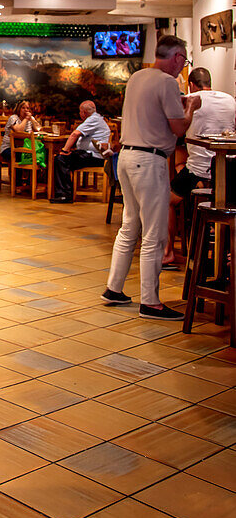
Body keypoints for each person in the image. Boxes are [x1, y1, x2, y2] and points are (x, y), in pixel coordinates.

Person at [102, 35, 201, 319]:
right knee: (154, 234)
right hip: (149, 160)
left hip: (127, 158)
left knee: (129, 226)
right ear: (177, 57)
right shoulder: (168, 82)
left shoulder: (137, 77)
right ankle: (151, 301)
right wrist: (190, 108)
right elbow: (179, 128)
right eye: (184, 60)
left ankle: (114, 288)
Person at [161, 67, 236, 267]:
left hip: (200, 169)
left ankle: (168, 252)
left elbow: (175, 130)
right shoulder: (230, 99)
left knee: (166, 200)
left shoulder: (189, 99)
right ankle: (225, 248)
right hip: (229, 171)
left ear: (191, 84)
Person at [51, 100, 111, 203]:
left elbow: (75, 134)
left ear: (84, 112)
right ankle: (66, 190)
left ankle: (65, 194)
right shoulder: (96, 118)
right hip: (90, 154)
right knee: (64, 159)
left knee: (61, 159)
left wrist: (65, 150)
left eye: (80, 111)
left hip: (95, 156)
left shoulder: (93, 120)